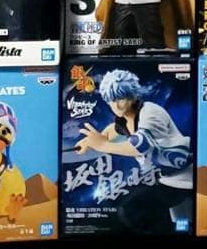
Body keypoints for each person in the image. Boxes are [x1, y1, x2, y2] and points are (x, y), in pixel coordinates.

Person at [74, 68, 192, 235]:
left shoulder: (150, 112)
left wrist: (102, 145)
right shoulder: (126, 119)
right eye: (111, 100)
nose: (116, 105)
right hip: (166, 178)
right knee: (182, 223)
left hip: (182, 177)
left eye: (121, 98)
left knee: (131, 210)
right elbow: (114, 130)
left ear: (133, 95)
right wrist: (91, 141)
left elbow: (140, 146)